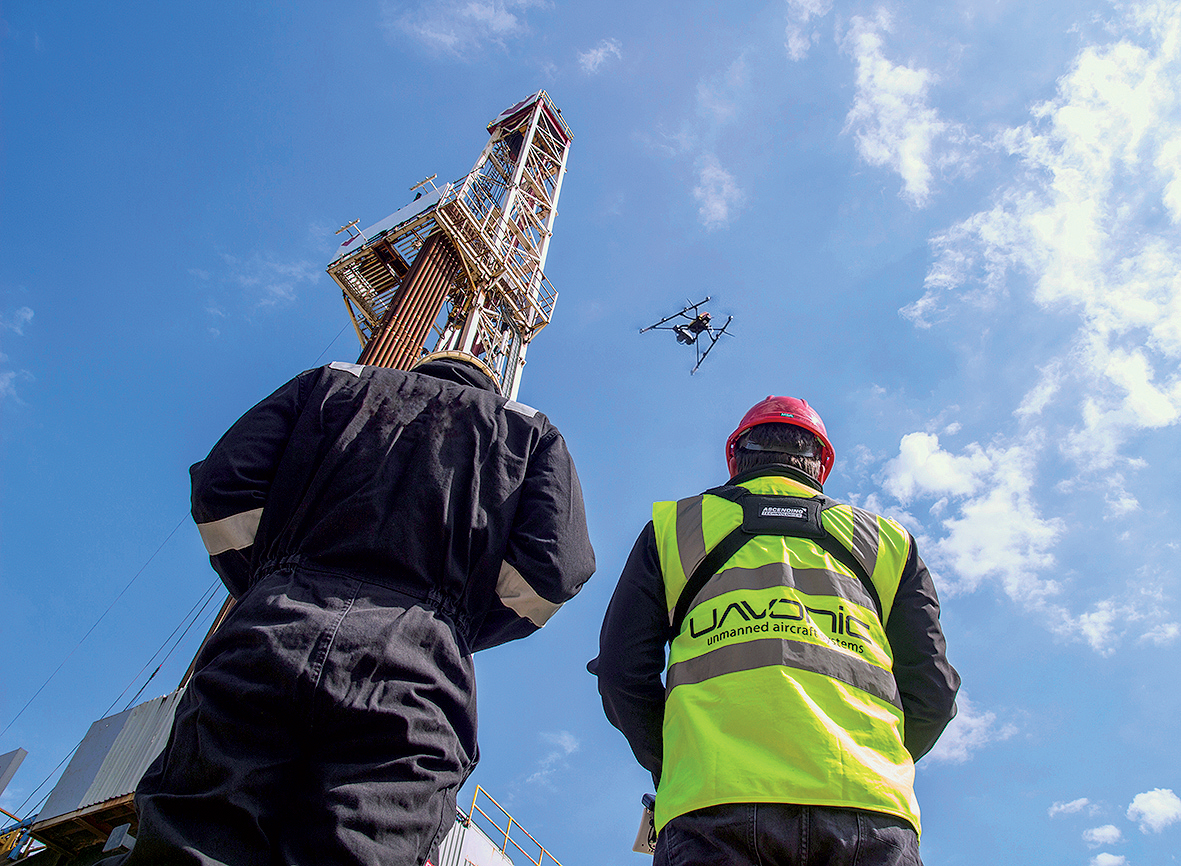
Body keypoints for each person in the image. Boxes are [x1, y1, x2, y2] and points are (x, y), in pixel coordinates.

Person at [113, 353, 595, 866]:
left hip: (272, 626)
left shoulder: (329, 382)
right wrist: (456, 622)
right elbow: (554, 570)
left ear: (424, 367)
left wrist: (271, 575)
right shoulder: (529, 430)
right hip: (417, 669)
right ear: (489, 383)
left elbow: (221, 489)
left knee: (196, 837)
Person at [592, 396, 958, 865]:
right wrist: (876, 764)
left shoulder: (675, 529)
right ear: (820, 464)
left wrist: (680, 767)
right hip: (870, 812)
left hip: (711, 810)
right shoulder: (889, 542)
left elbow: (622, 672)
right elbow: (934, 691)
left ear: (736, 459)